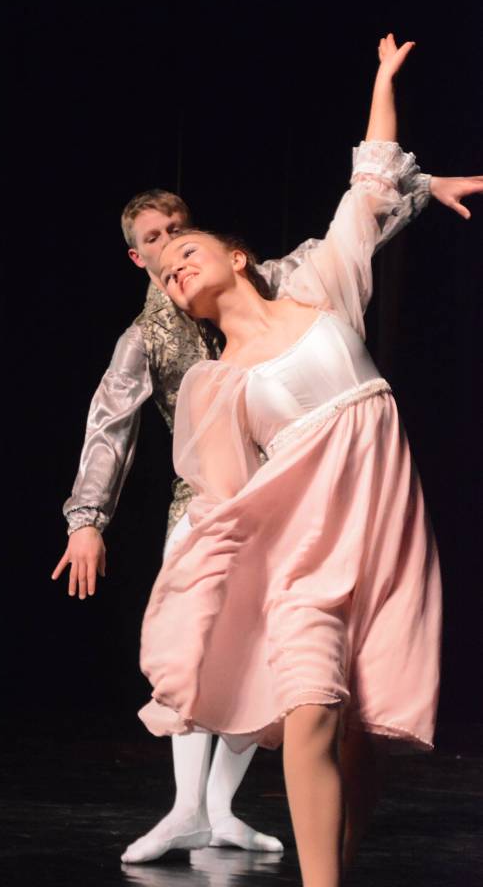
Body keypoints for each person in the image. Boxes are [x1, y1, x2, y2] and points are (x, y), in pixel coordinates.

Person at [51, 45, 469, 864]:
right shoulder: (210, 380)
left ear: (233, 254)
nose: (173, 262)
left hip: (382, 539)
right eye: (160, 259)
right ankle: (202, 810)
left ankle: (316, 857)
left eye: (185, 246)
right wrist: (93, 523)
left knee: (361, 734)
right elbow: (195, 477)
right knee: (309, 707)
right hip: (300, 553)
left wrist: (383, 84)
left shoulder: (316, 287)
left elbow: (368, 189)